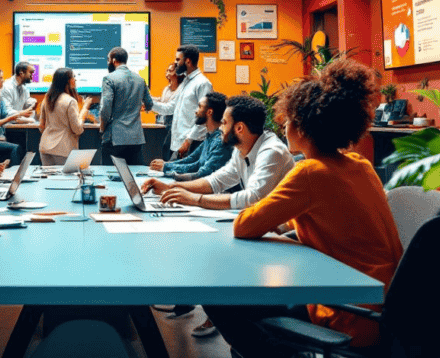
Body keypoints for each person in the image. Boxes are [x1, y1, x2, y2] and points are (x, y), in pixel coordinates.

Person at [202, 60, 403, 358]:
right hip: (383, 307)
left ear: (303, 126)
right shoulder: (360, 165)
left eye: (288, 119)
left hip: (348, 314)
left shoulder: (309, 172)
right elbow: (338, 220)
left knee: (216, 294)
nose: (284, 126)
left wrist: (278, 222)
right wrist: (290, 224)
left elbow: (244, 226)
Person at [142, 94, 295, 336]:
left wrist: (195, 200)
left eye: (224, 123)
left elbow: (252, 199)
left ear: (239, 128)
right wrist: (173, 189)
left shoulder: (271, 151)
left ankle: (250, 337)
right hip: (262, 233)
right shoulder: (243, 147)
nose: (221, 128)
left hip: (282, 242)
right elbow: (217, 180)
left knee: (211, 276)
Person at [146, 91, 230, 180]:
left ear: (209, 112)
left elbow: (202, 172)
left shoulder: (219, 141)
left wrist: (166, 168)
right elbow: (192, 159)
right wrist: (166, 165)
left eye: (200, 107)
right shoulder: (210, 136)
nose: (196, 111)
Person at [151, 45, 212, 158]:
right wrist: (150, 103)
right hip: (178, 143)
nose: (175, 62)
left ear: (187, 61)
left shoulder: (202, 83)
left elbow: (204, 117)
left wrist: (189, 140)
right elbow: (170, 108)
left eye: (178, 59)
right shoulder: (185, 83)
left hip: (192, 144)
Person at [100, 47, 154, 168]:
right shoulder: (140, 79)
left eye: (108, 60)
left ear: (113, 61)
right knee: (133, 175)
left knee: (110, 175)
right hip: (136, 138)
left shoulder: (109, 79)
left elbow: (106, 108)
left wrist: (102, 128)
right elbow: (149, 104)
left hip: (115, 137)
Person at [38, 67, 94, 166]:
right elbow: (77, 129)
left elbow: (41, 126)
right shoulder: (70, 101)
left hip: (45, 147)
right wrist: (85, 109)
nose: (75, 79)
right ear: (67, 81)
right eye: (73, 77)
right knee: (66, 180)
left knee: (49, 180)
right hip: (63, 149)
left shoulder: (47, 98)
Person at [156, 63, 183, 159]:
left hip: (175, 126)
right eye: (167, 70)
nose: (167, 73)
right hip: (164, 124)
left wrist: (150, 104)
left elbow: (169, 108)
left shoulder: (181, 90)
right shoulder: (167, 88)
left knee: (168, 150)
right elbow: (162, 100)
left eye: (170, 70)